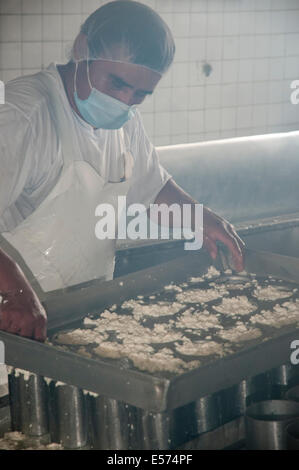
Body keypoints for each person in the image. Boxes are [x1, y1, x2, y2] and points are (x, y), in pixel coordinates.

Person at [0, 1, 244, 342]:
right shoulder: (22, 114)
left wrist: (200, 217)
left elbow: (151, 189)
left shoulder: (123, 120)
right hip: (15, 327)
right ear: (82, 48)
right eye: (116, 83)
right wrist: (13, 289)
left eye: (140, 94)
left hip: (78, 320)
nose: (125, 101)